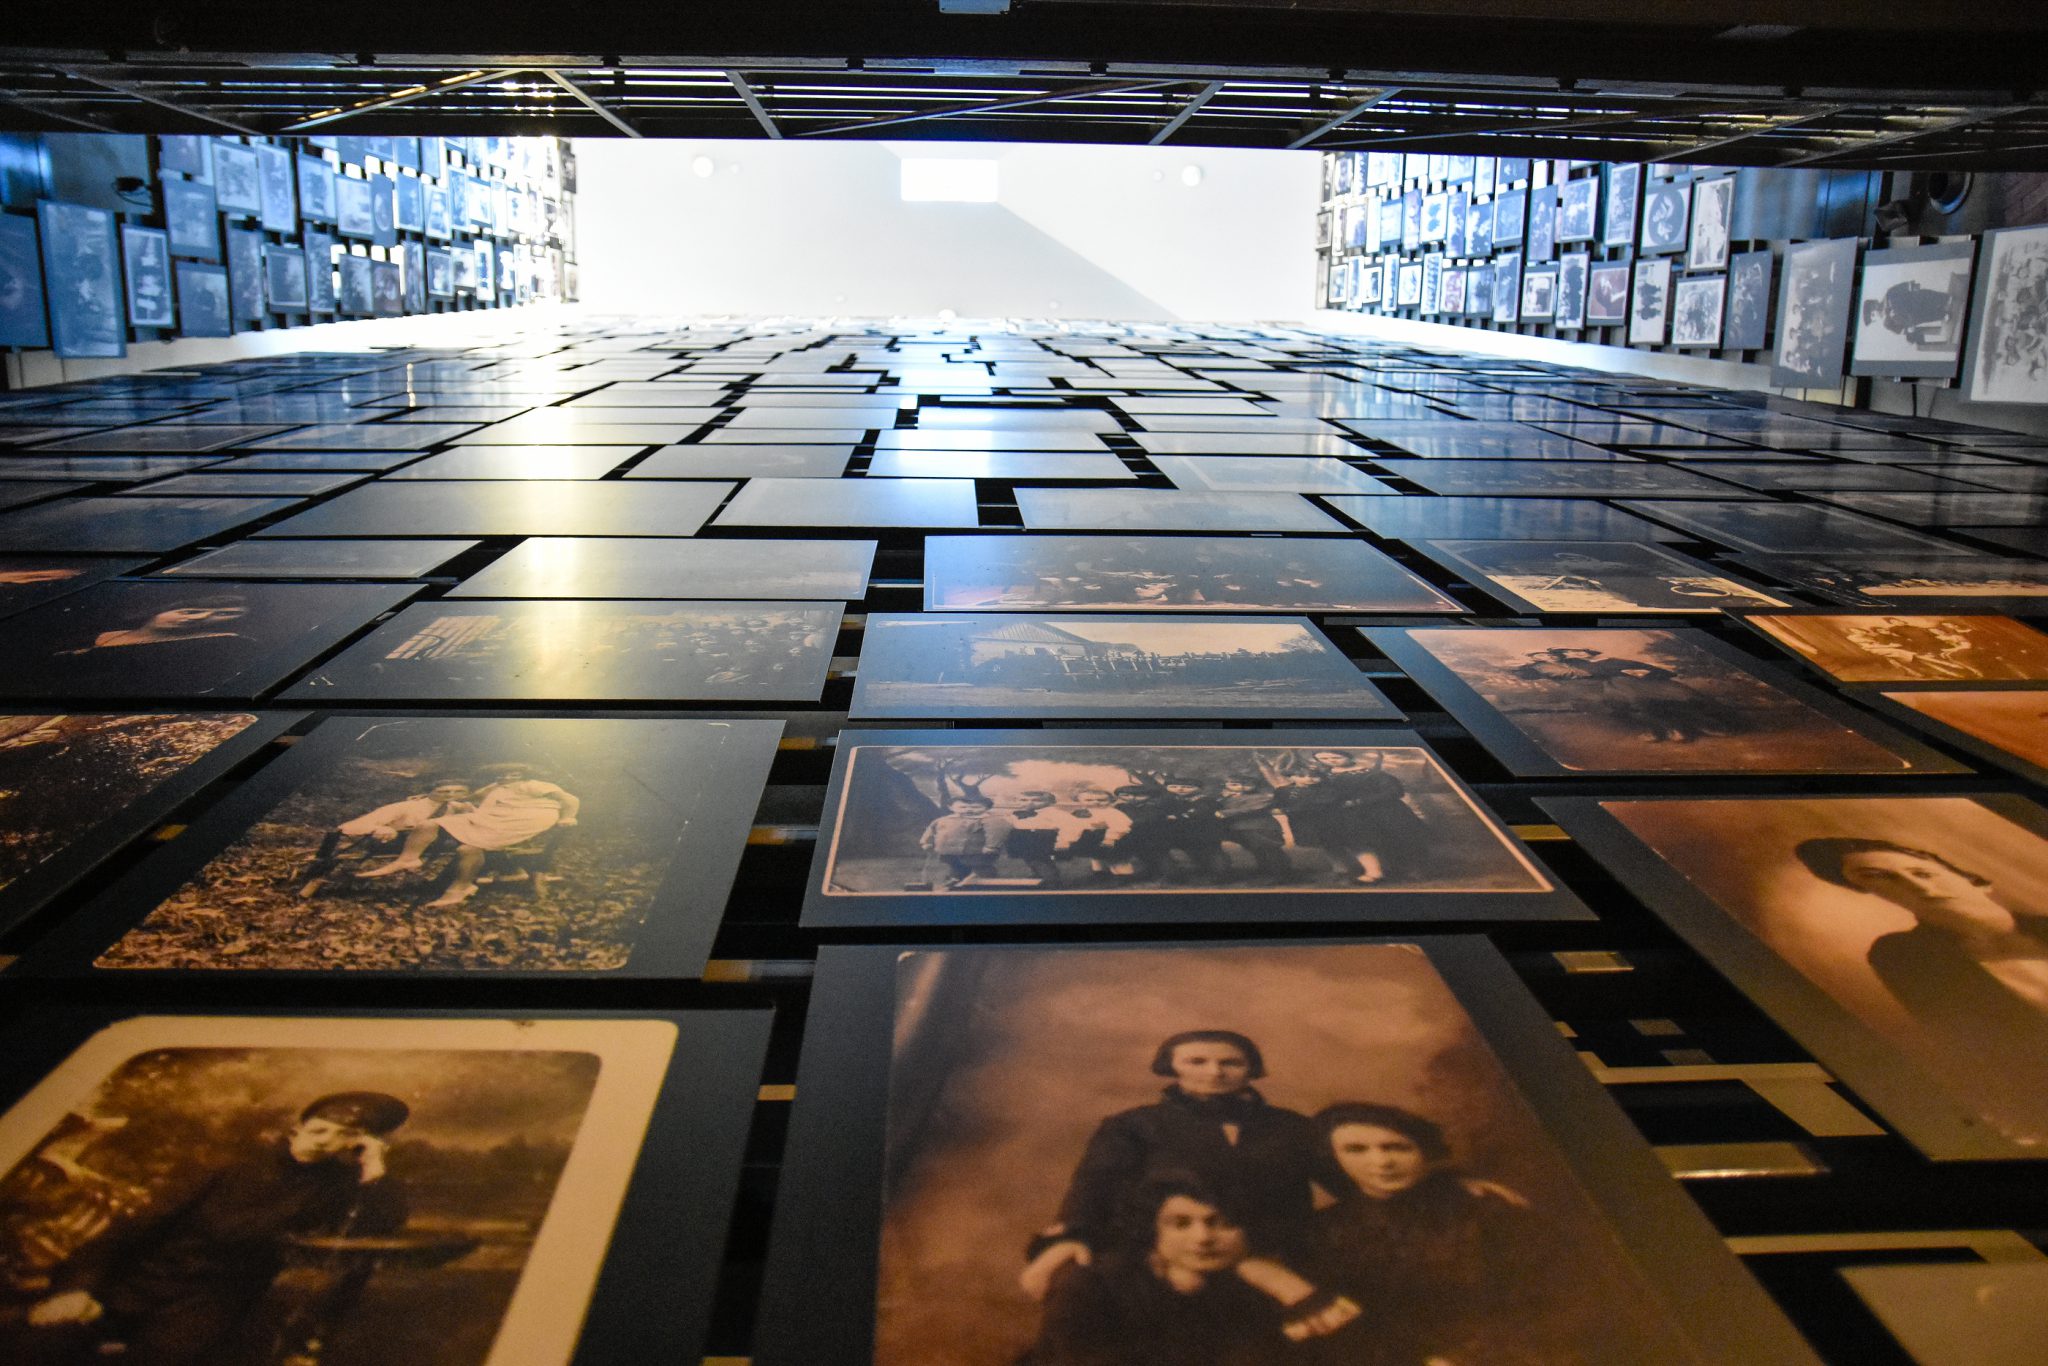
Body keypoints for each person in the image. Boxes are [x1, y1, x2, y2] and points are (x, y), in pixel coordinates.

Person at [11, 1092, 409, 1366]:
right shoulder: (227, 1167)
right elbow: (130, 1231)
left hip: (214, 1301)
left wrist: (374, 1170)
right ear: (296, 1130)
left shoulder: (339, 1189)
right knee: (35, 1348)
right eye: (319, 1129)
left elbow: (377, 1231)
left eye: (345, 1137)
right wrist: (75, 1288)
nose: (326, 1142)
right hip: (136, 1281)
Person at [1301, 1102, 1548, 1366]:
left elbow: (1541, 1299)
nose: (1382, 1162)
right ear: (1333, 1157)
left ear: (1425, 1152)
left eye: (1397, 1147)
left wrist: (1468, 1357)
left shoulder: (1483, 1207)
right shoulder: (1323, 1231)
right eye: (1356, 1150)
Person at [1019, 1180, 1293, 1366]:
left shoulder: (1253, 1292)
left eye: (1219, 1223)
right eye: (1181, 1224)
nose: (1203, 1238)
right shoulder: (1093, 1286)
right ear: (1152, 1232)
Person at [1794, 838, 2048, 1021]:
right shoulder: (1905, 956)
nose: (1919, 887)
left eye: (1922, 873)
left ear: (1975, 881)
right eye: (1877, 877)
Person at [356, 761, 579, 909]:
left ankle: (458, 889)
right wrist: (496, 782)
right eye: (502, 774)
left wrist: (567, 817)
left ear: (525, 774)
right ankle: (408, 858)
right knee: (429, 825)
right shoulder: (500, 788)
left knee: (467, 847)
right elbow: (476, 796)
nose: (508, 776)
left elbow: (571, 800)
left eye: (514, 773)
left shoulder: (534, 785)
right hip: (493, 819)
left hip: (518, 822)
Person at [295, 778, 474, 897]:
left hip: (439, 847)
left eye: (457, 791)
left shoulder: (461, 807)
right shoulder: (406, 807)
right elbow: (347, 827)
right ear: (430, 791)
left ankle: (454, 885)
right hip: (397, 846)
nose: (451, 795)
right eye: (444, 791)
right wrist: (378, 828)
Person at [57, 595, 249, 656]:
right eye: (189, 611)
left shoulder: (222, 644)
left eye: (224, 614)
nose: (202, 617)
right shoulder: (98, 634)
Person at [917, 792, 1012, 889]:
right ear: (951, 807)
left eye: (976, 807)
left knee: (981, 867)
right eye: (962, 807)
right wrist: (926, 842)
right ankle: (956, 880)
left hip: (976, 851)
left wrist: (992, 846)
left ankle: (980, 882)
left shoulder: (989, 820)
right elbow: (931, 830)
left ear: (987, 808)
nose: (969, 809)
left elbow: (996, 832)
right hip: (949, 851)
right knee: (954, 866)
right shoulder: (943, 820)